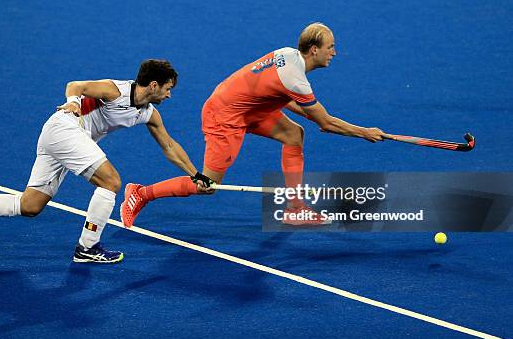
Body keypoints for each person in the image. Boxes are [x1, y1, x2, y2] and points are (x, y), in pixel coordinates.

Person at [0, 59, 212, 263]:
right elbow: (75, 85)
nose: (169, 94)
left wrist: (195, 175)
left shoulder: (148, 114)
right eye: (167, 88)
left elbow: (169, 146)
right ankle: (88, 247)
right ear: (153, 85)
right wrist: (73, 103)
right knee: (111, 181)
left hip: (62, 139)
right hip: (65, 128)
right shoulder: (114, 90)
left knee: (31, 205)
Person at [120, 23, 385, 227]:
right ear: (314, 50)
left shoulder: (288, 55)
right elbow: (326, 123)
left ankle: (295, 209)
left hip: (247, 108)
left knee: (294, 134)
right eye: (331, 47)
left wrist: (311, 115)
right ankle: (141, 193)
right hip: (224, 117)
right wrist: (365, 133)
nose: (334, 52)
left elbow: (278, 95)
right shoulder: (296, 78)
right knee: (208, 185)